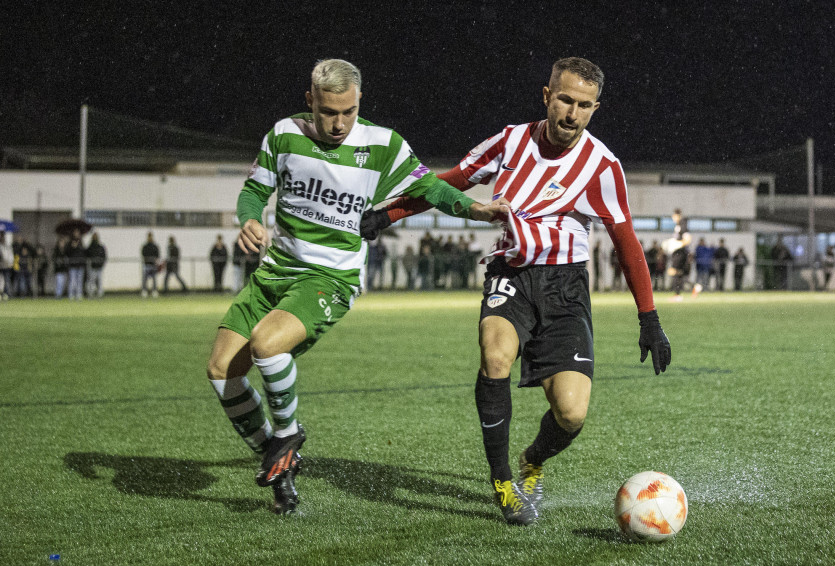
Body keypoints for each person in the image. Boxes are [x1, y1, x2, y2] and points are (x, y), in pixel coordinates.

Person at [362, 57, 671, 525]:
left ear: (595, 109)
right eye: (565, 99)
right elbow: (447, 184)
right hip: (510, 273)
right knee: (496, 356)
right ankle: (503, 481)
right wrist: (390, 214)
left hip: (566, 287)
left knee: (570, 414)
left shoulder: (602, 166)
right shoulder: (509, 142)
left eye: (584, 105)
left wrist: (649, 318)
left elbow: (626, 242)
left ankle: (533, 461)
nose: (572, 113)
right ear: (547, 95)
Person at [204, 59, 508, 516]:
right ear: (310, 101)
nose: (339, 123)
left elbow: (430, 189)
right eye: (328, 112)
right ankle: (281, 465)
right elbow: (254, 190)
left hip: (330, 277)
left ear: (359, 101)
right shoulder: (284, 134)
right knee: (221, 370)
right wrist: (248, 218)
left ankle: (286, 435)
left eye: (347, 111)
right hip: (275, 273)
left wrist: (475, 209)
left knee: (268, 345)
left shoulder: (383, 145)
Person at [667, 209, 692, 301]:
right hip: (678, 252)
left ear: (677, 215)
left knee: (674, 271)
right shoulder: (678, 226)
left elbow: (688, 239)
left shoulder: (683, 224)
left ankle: (677, 294)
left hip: (680, 253)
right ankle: (694, 287)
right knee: (680, 273)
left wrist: (677, 244)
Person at [66, 231, 87, 300]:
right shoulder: (70, 243)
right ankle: (71, 294)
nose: (76, 234)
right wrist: (72, 247)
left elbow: (84, 253)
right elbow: (67, 253)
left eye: (78, 232)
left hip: (80, 264)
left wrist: (79, 247)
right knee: (72, 280)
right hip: (72, 264)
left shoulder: (81, 243)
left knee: (79, 281)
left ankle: (79, 294)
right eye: (75, 232)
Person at [85, 232, 107, 298]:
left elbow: (104, 256)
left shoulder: (100, 247)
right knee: (91, 281)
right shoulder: (90, 247)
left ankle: (99, 294)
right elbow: (87, 255)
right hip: (92, 267)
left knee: (99, 281)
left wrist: (101, 263)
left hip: (99, 267)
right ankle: (91, 293)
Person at [141, 232, 160, 298]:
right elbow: (143, 254)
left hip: (153, 265)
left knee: (154, 279)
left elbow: (157, 255)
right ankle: (144, 291)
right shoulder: (145, 246)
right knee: (145, 279)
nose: (150, 238)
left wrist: (155, 260)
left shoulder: (155, 246)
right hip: (146, 265)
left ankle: (154, 291)